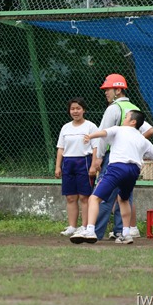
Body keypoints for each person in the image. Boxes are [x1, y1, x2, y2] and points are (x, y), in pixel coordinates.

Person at [70, 110, 153, 244]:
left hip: (117, 168)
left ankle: (90, 230)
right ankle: (126, 234)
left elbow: (104, 132)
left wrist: (90, 136)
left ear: (133, 122)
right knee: (123, 200)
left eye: (126, 117)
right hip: (134, 171)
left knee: (94, 198)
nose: (124, 119)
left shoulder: (119, 129)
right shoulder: (142, 139)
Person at [91, 74, 153, 241]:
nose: (106, 93)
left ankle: (95, 232)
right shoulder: (133, 108)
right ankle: (121, 231)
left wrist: (98, 157)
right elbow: (149, 130)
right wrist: (135, 145)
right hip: (130, 161)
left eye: (108, 89)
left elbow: (103, 135)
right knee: (124, 196)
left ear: (118, 90)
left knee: (103, 195)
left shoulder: (113, 108)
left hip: (113, 157)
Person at [55, 97, 98, 236]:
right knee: (70, 197)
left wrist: (93, 166)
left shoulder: (90, 126)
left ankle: (84, 226)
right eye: (72, 109)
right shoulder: (65, 127)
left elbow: (96, 147)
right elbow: (60, 148)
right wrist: (58, 167)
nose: (75, 111)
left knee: (84, 197)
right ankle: (72, 226)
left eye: (78, 108)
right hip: (68, 163)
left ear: (84, 110)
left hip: (84, 162)